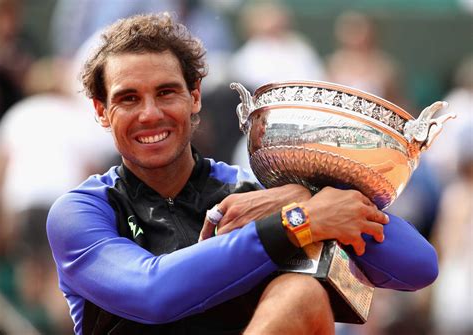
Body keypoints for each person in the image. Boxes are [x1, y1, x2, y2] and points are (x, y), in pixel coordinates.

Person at [47, 13, 439, 335]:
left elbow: (417, 266)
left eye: (166, 92)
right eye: (128, 98)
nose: (150, 113)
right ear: (101, 111)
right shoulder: (81, 212)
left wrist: (303, 194)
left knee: (301, 295)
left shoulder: (257, 192)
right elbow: (153, 292)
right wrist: (300, 223)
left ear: (194, 96)